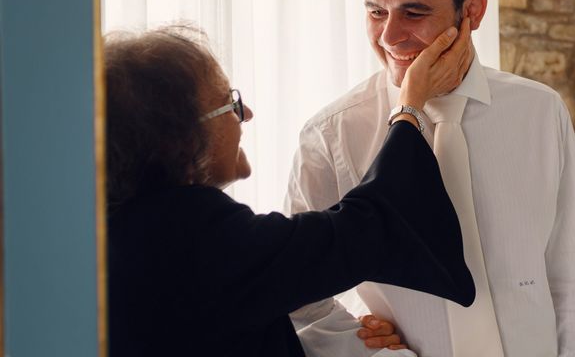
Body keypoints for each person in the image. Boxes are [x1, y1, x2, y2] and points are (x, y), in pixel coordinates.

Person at [285, 0, 575, 357]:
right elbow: (300, 296)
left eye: (413, 13)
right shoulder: (329, 137)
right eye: (377, 11)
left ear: (472, 9)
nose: (388, 36)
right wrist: (368, 348)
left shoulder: (539, 111)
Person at [105, 24, 476, 357]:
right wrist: (408, 107)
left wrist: (350, 337)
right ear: (181, 138)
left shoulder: (120, 229)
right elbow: (367, 228)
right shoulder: (190, 235)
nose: (246, 113)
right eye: (229, 103)